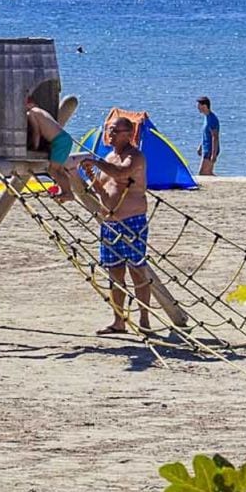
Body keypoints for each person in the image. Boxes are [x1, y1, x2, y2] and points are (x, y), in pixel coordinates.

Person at [83, 116, 153, 335]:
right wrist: (90, 176)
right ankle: (118, 320)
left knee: (137, 271)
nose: (109, 135)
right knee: (115, 273)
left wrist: (95, 162)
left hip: (132, 221)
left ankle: (144, 319)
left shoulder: (136, 157)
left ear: (127, 133)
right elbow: (103, 189)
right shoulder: (109, 156)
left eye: (114, 131)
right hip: (109, 223)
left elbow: (122, 173)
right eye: (108, 130)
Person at [26, 94, 75, 202]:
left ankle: (68, 193)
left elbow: (36, 133)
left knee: (52, 169)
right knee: (59, 169)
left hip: (59, 141)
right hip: (65, 139)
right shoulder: (40, 111)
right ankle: (66, 191)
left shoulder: (32, 113)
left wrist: (34, 147)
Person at [195, 96, 220, 176]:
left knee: (202, 173)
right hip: (206, 149)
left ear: (204, 106)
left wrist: (213, 154)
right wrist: (201, 146)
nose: (197, 107)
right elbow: (206, 135)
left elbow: (215, 137)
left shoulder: (212, 119)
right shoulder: (206, 117)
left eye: (199, 105)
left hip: (210, 150)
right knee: (207, 173)